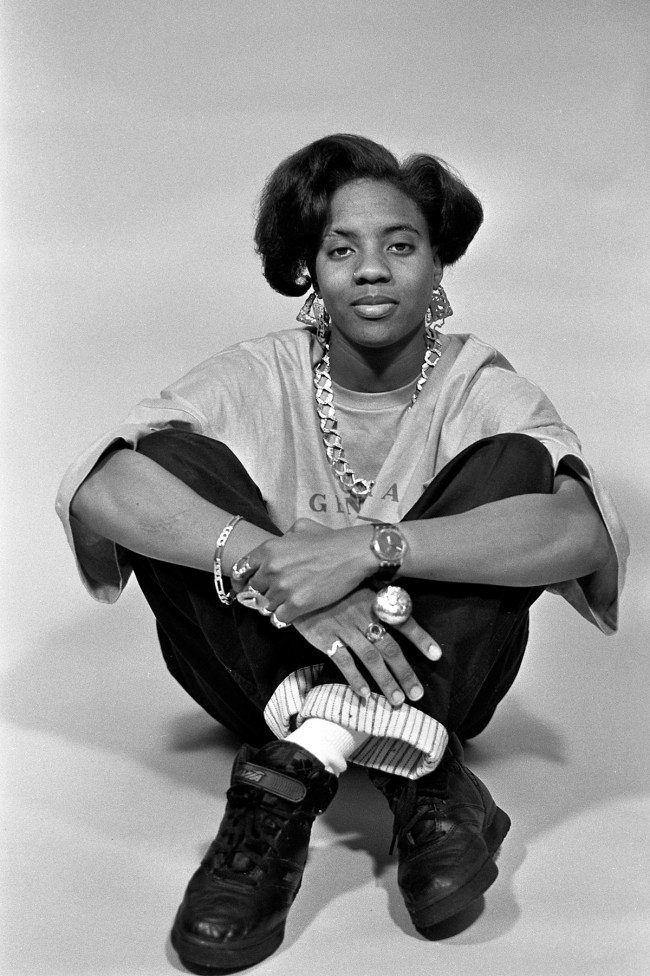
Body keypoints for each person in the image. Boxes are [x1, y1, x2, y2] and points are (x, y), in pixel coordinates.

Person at [56, 134, 628, 974]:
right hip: (255, 677)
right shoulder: (261, 371)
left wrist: (369, 549)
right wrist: (279, 568)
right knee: (167, 460)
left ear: (438, 266)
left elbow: (577, 531)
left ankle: (291, 782)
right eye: (341, 247)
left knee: (520, 467)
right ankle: (430, 785)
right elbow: (104, 487)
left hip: (442, 674)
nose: (371, 269)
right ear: (308, 270)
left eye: (400, 245)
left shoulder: (478, 380)